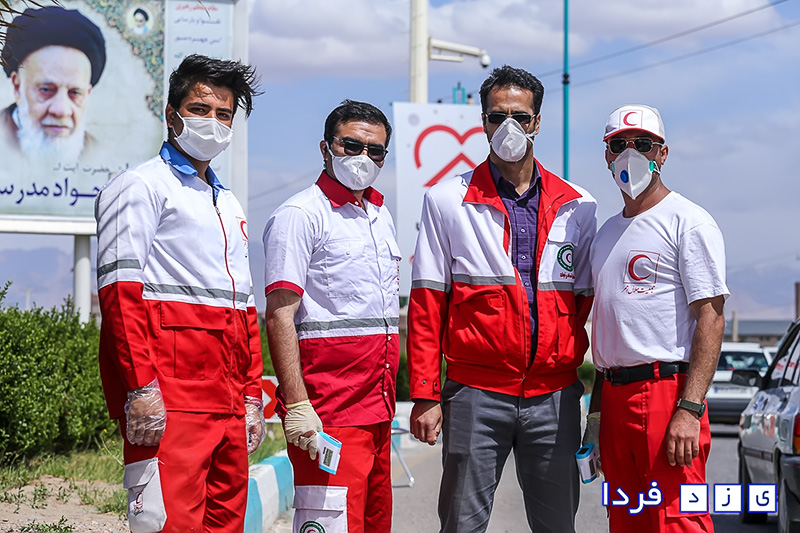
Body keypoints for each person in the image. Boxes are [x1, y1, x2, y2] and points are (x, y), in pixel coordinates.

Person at [407, 65, 597, 533]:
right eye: (497, 116)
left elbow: (587, 304)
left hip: (554, 396)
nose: (508, 126)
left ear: (537, 122)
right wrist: (426, 394)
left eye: (520, 116)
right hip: (476, 394)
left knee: (557, 526)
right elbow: (427, 307)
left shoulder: (579, 206)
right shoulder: (446, 201)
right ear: (483, 122)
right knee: (462, 525)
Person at [95, 54, 263, 531]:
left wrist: (252, 397)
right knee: (167, 524)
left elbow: (244, 307)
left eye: (224, 114)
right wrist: (141, 389)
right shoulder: (139, 187)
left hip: (227, 402)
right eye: (200, 109)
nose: (213, 122)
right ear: (171, 114)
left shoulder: (227, 203)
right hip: (171, 400)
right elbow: (119, 294)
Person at [584, 104, 727, 532]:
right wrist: (595, 418)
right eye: (619, 145)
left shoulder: (689, 222)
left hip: (667, 393)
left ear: (662, 153)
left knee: (678, 520)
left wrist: (689, 409)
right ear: (607, 155)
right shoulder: (605, 235)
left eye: (643, 144)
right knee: (626, 520)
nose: (630, 153)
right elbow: (608, 337)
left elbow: (711, 318)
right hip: (614, 399)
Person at [263, 99, 400, 533]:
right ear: (326, 148)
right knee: (332, 523)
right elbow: (279, 316)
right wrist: (297, 405)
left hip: (377, 412)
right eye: (351, 145)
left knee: (374, 524)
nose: (363, 157)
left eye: (375, 150)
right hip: (329, 414)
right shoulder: (299, 215)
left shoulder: (380, 216)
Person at [0, 6, 105, 161]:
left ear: (87, 94)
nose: (61, 110)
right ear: (17, 87)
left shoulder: (101, 157)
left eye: (75, 93)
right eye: (46, 90)